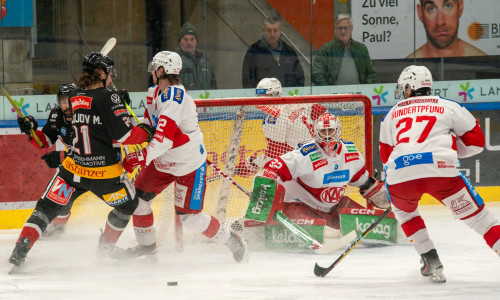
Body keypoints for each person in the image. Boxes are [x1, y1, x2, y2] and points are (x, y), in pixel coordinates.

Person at [8, 52, 155, 268]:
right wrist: (147, 131)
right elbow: (126, 136)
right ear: (101, 73)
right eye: (110, 73)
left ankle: (20, 251)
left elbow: (93, 109)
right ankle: (105, 248)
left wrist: (115, 105)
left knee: (45, 209)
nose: (112, 78)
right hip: (105, 177)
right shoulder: (109, 97)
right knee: (129, 205)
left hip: (72, 171)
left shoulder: (75, 97)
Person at [122, 51, 249, 262]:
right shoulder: (154, 93)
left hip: (188, 165)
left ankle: (233, 240)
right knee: (138, 201)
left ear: (161, 70)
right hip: (162, 162)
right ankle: (147, 246)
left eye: (155, 68)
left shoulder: (176, 98)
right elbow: (149, 130)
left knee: (191, 218)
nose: (152, 72)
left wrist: (140, 157)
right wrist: (123, 112)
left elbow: (163, 139)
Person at [379, 65, 500, 283]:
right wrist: (448, 155)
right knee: (482, 220)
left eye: (403, 88)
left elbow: (386, 157)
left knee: (406, 214)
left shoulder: (391, 114)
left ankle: (430, 260)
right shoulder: (449, 106)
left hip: (400, 177)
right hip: (441, 172)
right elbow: (477, 142)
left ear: (409, 87)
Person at [249, 112, 390, 232]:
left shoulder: (351, 153)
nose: (327, 136)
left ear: (338, 131)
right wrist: (266, 183)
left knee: (375, 226)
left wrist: (387, 200)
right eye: (323, 131)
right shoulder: (306, 154)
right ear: (316, 133)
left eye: (331, 131)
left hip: (334, 208)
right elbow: (274, 167)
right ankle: (259, 228)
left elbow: (364, 182)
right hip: (301, 206)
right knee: (313, 230)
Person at [16, 83, 77, 237]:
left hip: (99, 168)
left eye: (70, 101)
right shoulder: (57, 115)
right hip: (75, 167)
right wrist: (31, 131)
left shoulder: (87, 115)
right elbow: (44, 142)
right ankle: (58, 227)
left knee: (122, 203)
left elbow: (95, 150)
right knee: (58, 198)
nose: (67, 105)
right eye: (63, 102)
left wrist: (63, 157)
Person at [239, 78, 327, 176]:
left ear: (275, 94)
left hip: (302, 164)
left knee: (261, 176)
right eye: (258, 95)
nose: (260, 99)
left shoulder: (272, 119)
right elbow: (323, 113)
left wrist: (252, 164)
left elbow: (274, 155)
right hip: (320, 158)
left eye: (264, 95)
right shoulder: (296, 102)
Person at [406, 0, 486, 58]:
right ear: (420, 13)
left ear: (460, 8)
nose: (440, 22)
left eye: (448, 6)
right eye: (431, 9)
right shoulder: (406, 69)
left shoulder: (484, 63)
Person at [312, 14, 376, 86]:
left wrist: (365, 90)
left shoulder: (361, 48)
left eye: (346, 28)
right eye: (339, 28)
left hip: (358, 95)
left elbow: (371, 74)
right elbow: (316, 74)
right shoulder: (326, 49)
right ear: (335, 29)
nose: (343, 31)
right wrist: (329, 92)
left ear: (351, 29)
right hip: (335, 95)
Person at [241, 17, 304, 89]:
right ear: (263, 31)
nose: (272, 34)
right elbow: (247, 80)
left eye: (275, 30)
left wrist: (294, 95)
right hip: (263, 97)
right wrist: (257, 97)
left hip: (286, 97)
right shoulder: (253, 52)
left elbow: (300, 78)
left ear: (280, 31)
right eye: (268, 30)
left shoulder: (289, 52)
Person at [176, 22, 217, 90]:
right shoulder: (174, 61)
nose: (189, 43)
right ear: (180, 42)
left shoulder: (204, 62)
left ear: (196, 41)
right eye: (185, 39)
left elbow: (213, 85)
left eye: (192, 39)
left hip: (204, 100)